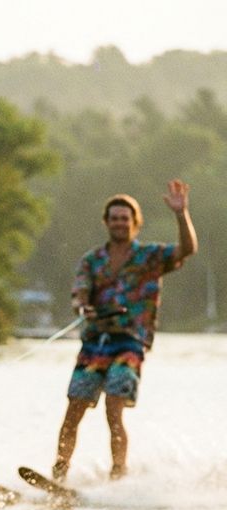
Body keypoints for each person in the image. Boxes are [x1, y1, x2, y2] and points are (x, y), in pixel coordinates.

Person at [52, 179, 197, 483]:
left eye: (125, 219)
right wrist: (82, 307)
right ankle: (59, 474)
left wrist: (181, 214)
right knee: (73, 410)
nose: (120, 223)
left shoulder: (150, 257)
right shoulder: (93, 260)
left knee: (113, 409)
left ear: (135, 223)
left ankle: (118, 475)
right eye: (115, 218)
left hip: (130, 343)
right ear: (107, 222)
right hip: (95, 343)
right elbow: (79, 292)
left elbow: (188, 249)